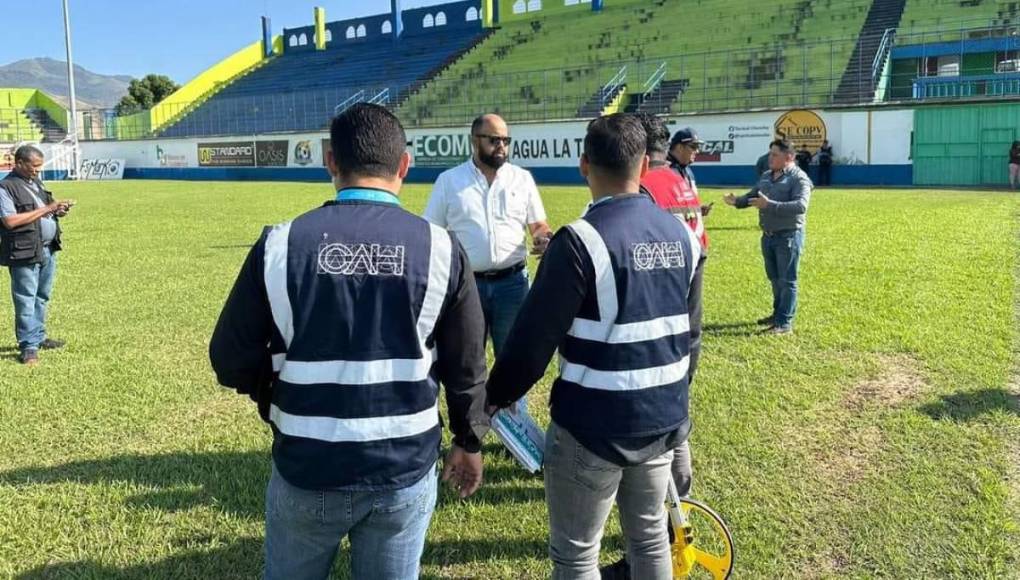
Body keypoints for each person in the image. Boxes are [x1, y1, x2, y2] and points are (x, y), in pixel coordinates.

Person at [209, 104, 490, 580]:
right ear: (404, 165)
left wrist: (274, 393)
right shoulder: (443, 247)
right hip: (403, 466)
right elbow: (467, 364)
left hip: (307, 462)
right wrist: (469, 439)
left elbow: (229, 357)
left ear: (330, 162)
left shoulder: (279, 244)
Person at [486, 113, 702, 580]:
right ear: (646, 166)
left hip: (591, 428)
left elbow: (531, 343)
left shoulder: (578, 241)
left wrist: (495, 397)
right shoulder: (685, 236)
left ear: (584, 165)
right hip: (661, 420)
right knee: (648, 538)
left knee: (577, 553)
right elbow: (692, 337)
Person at [423, 113, 551, 414]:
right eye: (494, 140)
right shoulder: (449, 182)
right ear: (474, 141)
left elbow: (539, 225)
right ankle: (468, 431)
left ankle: (517, 432)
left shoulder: (522, 179)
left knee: (514, 361)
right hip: (467, 288)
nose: (502, 147)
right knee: (466, 362)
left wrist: (544, 237)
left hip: (513, 285)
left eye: (506, 140)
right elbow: (432, 232)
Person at [723, 138, 812, 335]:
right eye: (770, 153)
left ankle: (784, 323)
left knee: (787, 280)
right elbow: (753, 196)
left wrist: (769, 205)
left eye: (775, 155)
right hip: (768, 236)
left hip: (788, 236)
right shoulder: (766, 176)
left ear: (789, 157)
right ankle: (777, 314)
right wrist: (737, 201)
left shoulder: (799, 178)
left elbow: (801, 206)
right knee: (774, 278)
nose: (769, 158)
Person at [0, 145, 72, 365]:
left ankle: (38, 336)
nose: (38, 171)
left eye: (40, 167)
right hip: (24, 251)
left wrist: (58, 211)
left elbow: (43, 210)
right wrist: (48, 209)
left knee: (42, 296)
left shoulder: (36, 182)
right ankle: (28, 346)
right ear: (19, 163)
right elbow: (10, 221)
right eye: (34, 166)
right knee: (25, 299)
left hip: (47, 248)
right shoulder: (5, 187)